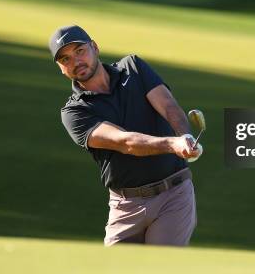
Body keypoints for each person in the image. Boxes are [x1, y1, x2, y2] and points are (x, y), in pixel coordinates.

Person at [49, 24, 202, 246]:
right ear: (61, 68)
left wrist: (185, 138)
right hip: (125, 205)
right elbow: (125, 142)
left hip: (173, 195)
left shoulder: (133, 68)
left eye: (79, 51)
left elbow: (169, 106)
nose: (75, 62)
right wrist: (173, 143)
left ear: (95, 47)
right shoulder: (74, 112)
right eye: (65, 59)